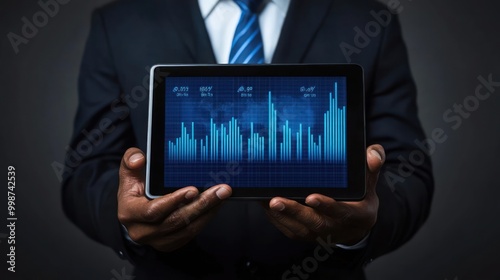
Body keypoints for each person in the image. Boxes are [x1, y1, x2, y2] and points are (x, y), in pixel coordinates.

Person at [62, 0, 434, 279]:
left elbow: (407, 170)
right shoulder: (120, 22)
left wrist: (360, 229)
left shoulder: (369, 20)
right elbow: (88, 170)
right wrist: (130, 224)